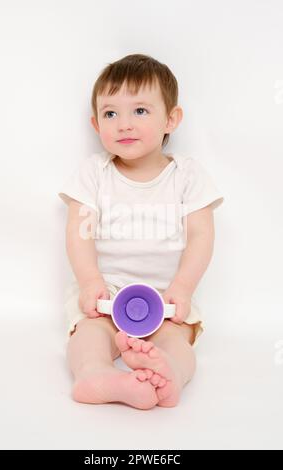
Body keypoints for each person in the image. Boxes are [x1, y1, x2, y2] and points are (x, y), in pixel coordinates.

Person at [58, 53, 224, 409]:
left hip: (165, 296)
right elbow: (78, 231)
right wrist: (90, 282)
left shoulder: (188, 176)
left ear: (171, 119)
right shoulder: (94, 173)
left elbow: (201, 236)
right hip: (107, 292)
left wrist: (183, 287)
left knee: (177, 340)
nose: (124, 124)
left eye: (141, 111)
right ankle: (95, 374)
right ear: (96, 123)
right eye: (111, 113)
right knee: (89, 333)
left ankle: (170, 375)